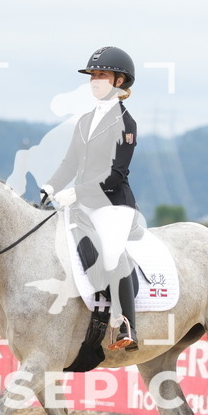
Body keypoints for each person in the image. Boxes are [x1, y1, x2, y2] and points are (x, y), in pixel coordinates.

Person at [40, 46, 140, 351]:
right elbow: (70, 163)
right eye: (92, 75)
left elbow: (116, 174)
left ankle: (127, 325)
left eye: (102, 75)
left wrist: (77, 191)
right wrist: (51, 187)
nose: (94, 81)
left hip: (113, 204)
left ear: (119, 81)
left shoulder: (126, 124)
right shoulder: (84, 120)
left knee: (111, 254)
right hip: (80, 203)